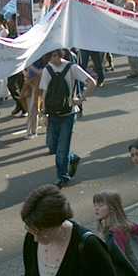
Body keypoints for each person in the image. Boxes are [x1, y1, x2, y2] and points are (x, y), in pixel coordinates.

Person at [39, 49, 95, 188]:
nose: (52, 60)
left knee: (62, 149)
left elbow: (92, 82)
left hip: (68, 114)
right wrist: (43, 114)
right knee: (52, 145)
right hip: (52, 113)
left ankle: (62, 177)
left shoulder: (72, 68)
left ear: (60, 54)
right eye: (49, 57)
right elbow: (44, 94)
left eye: (54, 56)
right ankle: (72, 158)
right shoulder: (47, 70)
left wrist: (80, 99)